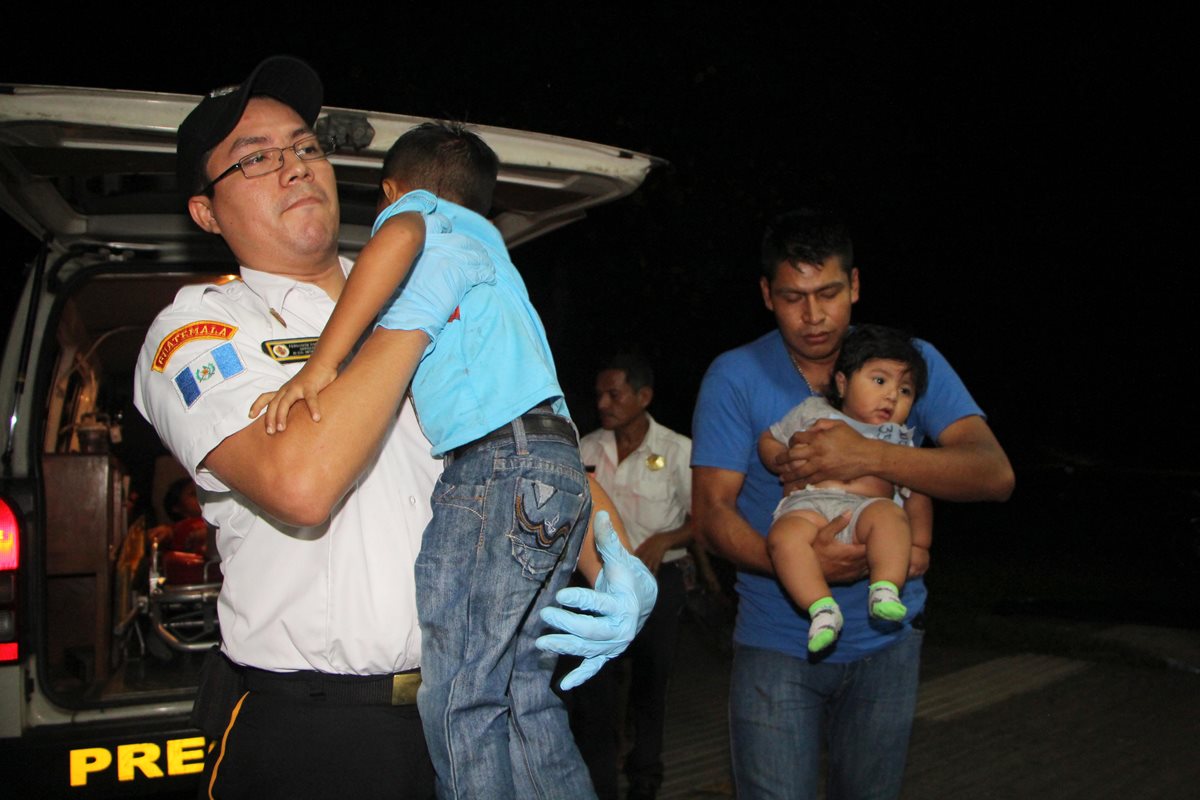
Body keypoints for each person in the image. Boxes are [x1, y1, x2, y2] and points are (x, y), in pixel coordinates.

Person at [133, 56, 653, 800]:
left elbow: (526, 436)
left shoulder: (433, 264)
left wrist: (613, 561)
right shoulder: (203, 327)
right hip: (319, 729)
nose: (293, 168)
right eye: (255, 158)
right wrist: (416, 300)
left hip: (478, 702)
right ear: (206, 213)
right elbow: (301, 484)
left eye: (304, 146)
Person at [250, 120, 649, 800]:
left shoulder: (417, 221)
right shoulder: (491, 251)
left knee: (462, 696)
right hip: (549, 454)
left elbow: (401, 236)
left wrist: (319, 367)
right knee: (525, 693)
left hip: (492, 464)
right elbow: (544, 438)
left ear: (390, 191)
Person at [691, 208, 1013, 799]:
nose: (813, 316)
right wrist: (796, 560)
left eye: (829, 293)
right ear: (767, 294)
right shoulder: (734, 376)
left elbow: (994, 475)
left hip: (888, 645)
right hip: (775, 642)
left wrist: (865, 457)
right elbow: (711, 516)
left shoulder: (908, 364)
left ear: (856, 285)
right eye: (792, 297)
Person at [759, 325, 932, 653]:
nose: (892, 396)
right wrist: (781, 459)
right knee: (783, 538)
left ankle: (884, 589)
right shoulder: (812, 412)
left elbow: (919, 493)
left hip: (866, 510)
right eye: (880, 381)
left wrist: (921, 545)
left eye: (905, 390)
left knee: (891, 518)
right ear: (842, 382)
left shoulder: (897, 440)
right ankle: (822, 609)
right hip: (808, 506)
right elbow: (768, 438)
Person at [576, 354, 694, 800]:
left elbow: (704, 520)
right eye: (599, 395)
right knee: (595, 691)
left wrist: (666, 538)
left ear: (644, 397)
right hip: (597, 583)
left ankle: (645, 780)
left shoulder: (677, 449)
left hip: (660, 583)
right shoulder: (586, 447)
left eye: (614, 394)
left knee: (651, 683)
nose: (603, 403)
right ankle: (599, 784)